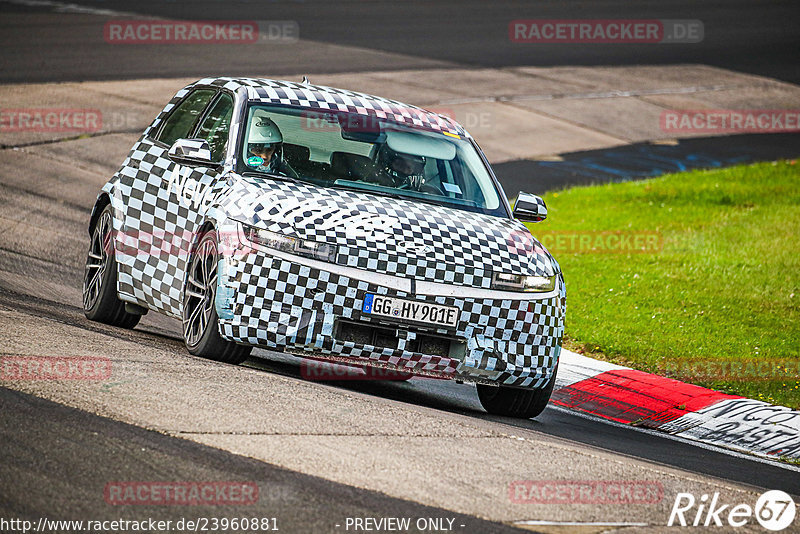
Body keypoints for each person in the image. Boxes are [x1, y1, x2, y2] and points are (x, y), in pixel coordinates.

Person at [245, 111, 298, 178]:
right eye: (258, 151)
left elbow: (294, 179)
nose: (265, 156)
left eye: (269, 150)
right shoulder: (236, 170)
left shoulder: (280, 167)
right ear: (246, 150)